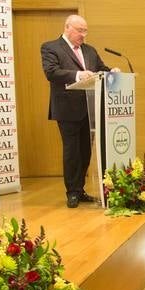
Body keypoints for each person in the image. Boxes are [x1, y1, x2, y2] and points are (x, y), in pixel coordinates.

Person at [41, 14, 109, 208]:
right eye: (80, 30)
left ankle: (80, 190)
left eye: (85, 31)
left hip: (90, 109)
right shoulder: (51, 47)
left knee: (85, 151)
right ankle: (72, 192)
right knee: (72, 152)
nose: (83, 35)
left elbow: (101, 68)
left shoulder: (90, 50)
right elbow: (51, 72)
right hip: (67, 109)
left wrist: (112, 72)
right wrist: (79, 74)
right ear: (67, 27)